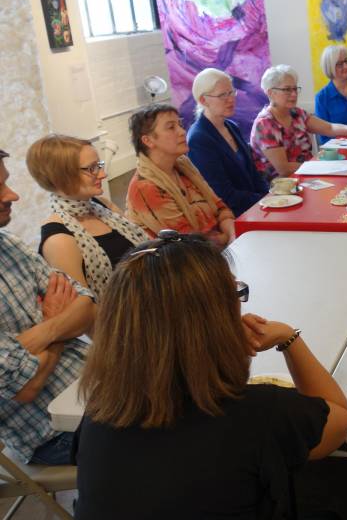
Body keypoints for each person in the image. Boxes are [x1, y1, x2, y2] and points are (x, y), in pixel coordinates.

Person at [73, 232, 347, 518]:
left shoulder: (99, 410)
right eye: (233, 292)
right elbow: (340, 418)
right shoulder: (260, 415)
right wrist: (289, 338)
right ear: (214, 319)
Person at [0, 147, 95, 465]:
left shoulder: (8, 244)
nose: (12, 195)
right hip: (51, 432)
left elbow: (86, 305)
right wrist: (57, 323)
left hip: (94, 382)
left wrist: (44, 332)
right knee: (171, 431)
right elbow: (27, 388)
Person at [26, 135, 147, 296]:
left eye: (99, 165)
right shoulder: (58, 240)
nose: (102, 174)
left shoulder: (103, 205)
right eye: (91, 168)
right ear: (60, 177)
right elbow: (85, 308)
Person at [125, 103, 235, 246]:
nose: (182, 131)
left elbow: (220, 208)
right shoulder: (145, 187)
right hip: (185, 263)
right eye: (171, 127)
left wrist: (232, 234)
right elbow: (189, 244)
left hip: (217, 249)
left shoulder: (183, 166)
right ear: (148, 141)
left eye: (179, 124)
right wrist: (228, 237)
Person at [250, 64, 347, 180]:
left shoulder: (297, 113)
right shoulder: (265, 124)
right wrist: (320, 166)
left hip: (308, 176)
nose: (294, 94)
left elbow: (329, 128)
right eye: (287, 90)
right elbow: (284, 169)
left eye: (295, 88)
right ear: (270, 93)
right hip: (282, 189)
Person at [188, 68, 269, 217]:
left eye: (231, 92)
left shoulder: (232, 126)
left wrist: (269, 195)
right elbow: (222, 194)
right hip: (231, 216)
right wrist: (264, 200)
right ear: (203, 100)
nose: (231, 99)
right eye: (222, 95)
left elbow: (253, 173)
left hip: (254, 208)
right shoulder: (199, 139)